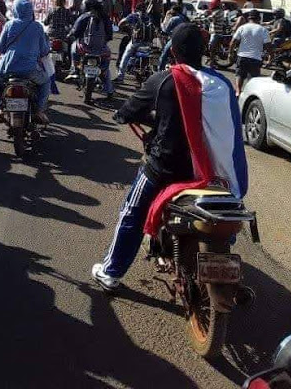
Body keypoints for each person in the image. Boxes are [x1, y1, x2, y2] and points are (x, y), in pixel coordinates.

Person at [91, 23, 248, 291]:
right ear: (204, 50)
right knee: (225, 213)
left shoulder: (163, 79)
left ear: (172, 51)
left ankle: (111, 272)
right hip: (212, 173)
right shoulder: (221, 84)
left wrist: (134, 115)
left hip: (164, 169)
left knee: (131, 214)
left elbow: (127, 111)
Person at [0, 0, 50, 128]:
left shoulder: (9, 25)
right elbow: (44, 50)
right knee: (45, 82)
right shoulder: (37, 27)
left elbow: (0, 47)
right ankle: (38, 110)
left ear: (15, 10)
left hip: (7, 70)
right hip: (30, 71)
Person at [66, 0, 114, 98]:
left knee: (74, 46)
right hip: (101, 50)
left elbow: (75, 32)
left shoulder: (84, 16)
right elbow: (110, 35)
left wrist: (70, 35)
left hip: (84, 48)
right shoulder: (106, 18)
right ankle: (109, 89)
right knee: (106, 70)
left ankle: (74, 69)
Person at [230, 9, 271, 96]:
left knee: (239, 74)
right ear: (259, 19)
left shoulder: (242, 28)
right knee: (253, 79)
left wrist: (230, 54)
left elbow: (233, 42)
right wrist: (270, 57)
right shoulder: (263, 30)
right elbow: (268, 46)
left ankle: (238, 91)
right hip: (256, 58)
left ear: (248, 18)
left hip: (242, 56)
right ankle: (249, 95)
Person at [114, 4, 153, 82]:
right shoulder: (148, 17)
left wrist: (126, 27)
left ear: (136, 9)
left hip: (136, 42)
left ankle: (120, 77)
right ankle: (143, 71)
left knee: (125, 56)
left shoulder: (134, 16)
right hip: (148, 42)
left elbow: (121, 23)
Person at [158, 4, 188, 71]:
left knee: (164, 55)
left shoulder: (174, 19)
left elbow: (165, 30)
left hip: (175, 39)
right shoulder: (185, 18)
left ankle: (159, 71)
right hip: (185, 40)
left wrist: (161, 24)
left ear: (174, 11)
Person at [207, 0, 225, 68]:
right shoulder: (217, 11)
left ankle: (212, 63)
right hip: (213, 32)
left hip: (216, 33)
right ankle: (210, 59)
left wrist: (205, 17)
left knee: (211, 47)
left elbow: (210, 18)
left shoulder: (218, 12)